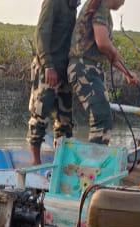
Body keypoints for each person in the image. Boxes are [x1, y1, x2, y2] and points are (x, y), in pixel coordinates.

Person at [68, 0, 139, 145]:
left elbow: (106, 51)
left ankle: (96, 159)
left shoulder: (101, 9)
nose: (123, 3)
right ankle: (95, 162)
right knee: (101, 118)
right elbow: (103, 43)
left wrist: (126, 73)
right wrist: (114, 50)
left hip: (90, 68)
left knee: (103, 117)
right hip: (84, 68)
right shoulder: (100, 8)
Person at [27, 0, 80, 165]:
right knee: (39, 116)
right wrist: (48, 65)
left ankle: (60, 163)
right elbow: (41, 33)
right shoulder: (53, 2)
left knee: (65, 121)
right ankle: (35, 163)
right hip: (48, 69)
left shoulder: (74, 6)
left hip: (64, 71)